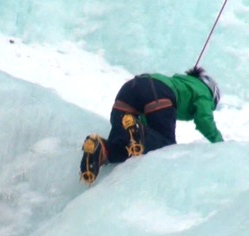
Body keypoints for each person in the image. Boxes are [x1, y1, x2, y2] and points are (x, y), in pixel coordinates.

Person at [80, 66, 223, 184]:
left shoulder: (181, 82)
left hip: (128, 90)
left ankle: (102, 148)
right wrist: (221, 145)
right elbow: (204, 119)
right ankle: (138, 129)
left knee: (125, 148)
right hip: (158, 92)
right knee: (165, 146)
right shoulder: (204, 92)